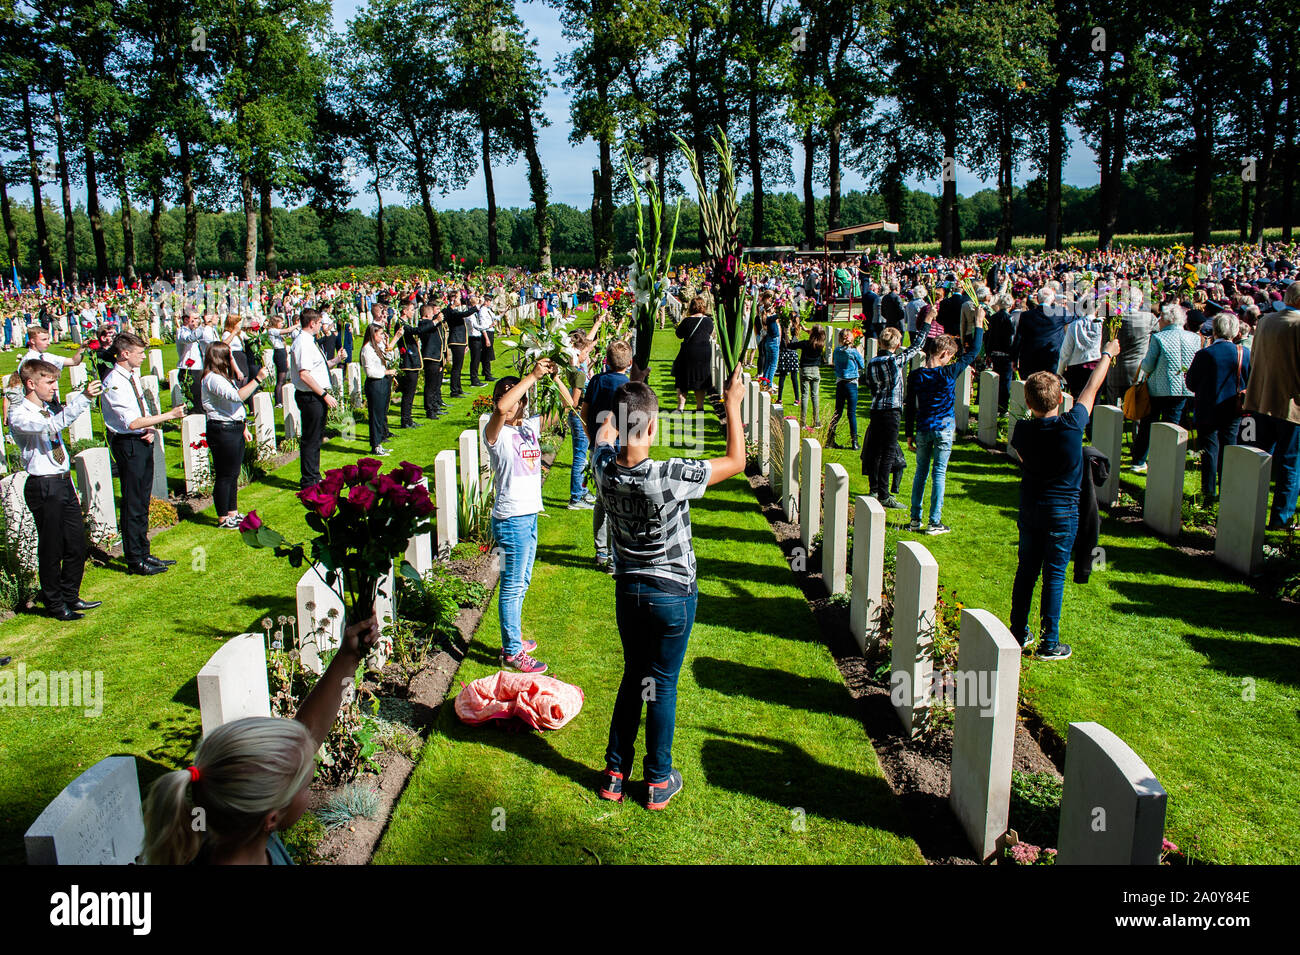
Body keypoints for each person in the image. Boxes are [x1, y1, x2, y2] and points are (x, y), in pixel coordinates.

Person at [594, 370, 746, 811]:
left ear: (619, 425)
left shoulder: (603, 469)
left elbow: (605, 436)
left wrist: (615, 410)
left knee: (632, 678)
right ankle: (658, 780)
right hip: (672, 592)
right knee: (660, 684)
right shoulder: (669, 475)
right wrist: (732, 404)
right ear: (654, 426)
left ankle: (614, 774)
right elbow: (735, 461)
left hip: (629, 591)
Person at [142, 615, 380, 864]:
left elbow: (307, 734)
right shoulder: (242, 840)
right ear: (272, 819)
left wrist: (348, 657)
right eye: (305, 785)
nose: (308, 790)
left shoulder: (230, 833)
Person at [1009, 338, 1120, 661]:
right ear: (1061, 400)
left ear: (1028, 402)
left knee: (1026, 570)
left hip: (1031, 507)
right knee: (1053, 575)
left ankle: (1018, 631)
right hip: (1062, 512)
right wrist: (1107, 354)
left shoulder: (1022, 431)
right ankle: (1049, 641)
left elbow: (1024, 459)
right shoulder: (1071, 426)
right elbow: (1092, 387)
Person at [485, 359, 573, 675]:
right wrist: (530, 377)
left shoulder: (527, 426)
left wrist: (555, 379)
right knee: (511, 586)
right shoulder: (493, 431)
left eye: (516, 397)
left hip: (529, 515)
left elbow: (570, 405)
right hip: (510, 520)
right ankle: (512, 652)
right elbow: (500, 408)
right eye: (503, 394)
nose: (509, 401)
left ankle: (514, 639)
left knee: (521, 582)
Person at [8, 360, 104, 620]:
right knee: (51, 547)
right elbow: (50, 428)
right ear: (31, 384)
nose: (54, 387)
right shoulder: (19, 414)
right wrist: (83, 399)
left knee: (76, 541)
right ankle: (54, 603)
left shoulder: (47, 409)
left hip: (61, 479)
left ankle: (70, 594)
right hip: (43, 484)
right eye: (49, 382)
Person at [101, 332, 187, 574]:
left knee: (142, 499)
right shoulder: (115, 382)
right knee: (133, 501)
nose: (143, 357)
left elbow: (140, 413)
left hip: (140, 439)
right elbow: (130, 423)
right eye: (139, 353)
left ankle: (143, 551)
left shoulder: (131, 376)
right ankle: (134, 558)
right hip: (128, 444)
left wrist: (149, 427)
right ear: (125, 354)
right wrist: (169, 416)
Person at [905, 319, 985, 535]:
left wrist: (909, 434)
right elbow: (975, 350)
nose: (952, 359)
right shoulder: (948, 372)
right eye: (951, 355)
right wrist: (978, 323)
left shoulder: (916, 375)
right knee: (938, 473)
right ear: (944, 354)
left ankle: (915, 519)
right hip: (944, 427)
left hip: (923, 427)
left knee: (921, 472)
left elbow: (910, 406)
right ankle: (934, 522)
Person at [1242, 280, 1300, 528]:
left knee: (1259, 460)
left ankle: (1248, 508)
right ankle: (1281, 518)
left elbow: (1254, 359)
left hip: (1261, 399)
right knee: (1290, 464)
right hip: (1290, 405)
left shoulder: (1265, 321)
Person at [863, 313, 932, 506]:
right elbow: (917, 346)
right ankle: (884, 495)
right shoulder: (894, 361)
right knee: (888, 452)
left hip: (875, 408)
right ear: (895, 344)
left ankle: (874, 489)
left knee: (876, 451)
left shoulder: (871, 362)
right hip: (891, 410)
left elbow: (868, 383)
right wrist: (927, 323)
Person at [202, 341, 270, 528]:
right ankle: (223, 516)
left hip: (233, 427)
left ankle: (232, 512)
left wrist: (243, 427)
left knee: (233, 473)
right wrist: (257, 380)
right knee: (225, 474)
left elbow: (235, 407)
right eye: (228, 356)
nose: (231, 359)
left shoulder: (222, 377)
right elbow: (237, 397)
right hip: (222, 429)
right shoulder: (212, 379)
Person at [1186, 312, 1249, 501]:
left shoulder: (1205, 353)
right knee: (1229, 451)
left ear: (1214, 330)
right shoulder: (1245, 353)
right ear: (1236, 331)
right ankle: (1228, 492)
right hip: (1233, 408)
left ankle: (1209, 493)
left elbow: (1191, 383)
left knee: (1210, 453)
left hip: (1208, 409)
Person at [582, 340, 634, 570]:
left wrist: (592, 437)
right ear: (630, 362)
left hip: (599, 445)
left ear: (606, 360)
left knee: (603, 501)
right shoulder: (631, 386)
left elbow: (584, 412)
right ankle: (615, 555)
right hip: (623, 448)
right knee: (621, 502)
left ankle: (602, 551)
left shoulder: (596, 381)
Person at [1131, 304, 1200, 472]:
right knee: (1172, 425)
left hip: (1158, 388)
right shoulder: (1194, 338)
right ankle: (1167, 460)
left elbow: (1148, 364)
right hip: (1182, 388)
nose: (1159, 321)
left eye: (1161, 318)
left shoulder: (1159, 338)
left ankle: (1139, 461)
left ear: (1168, 320)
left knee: (1148, 424)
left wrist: (1141, 375)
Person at [290, 308, 337, 490]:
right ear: (312, 323)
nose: (321, 326)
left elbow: (317, 367)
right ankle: (309, 479)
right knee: (311, 438)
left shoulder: (309, 341)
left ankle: (314, 475)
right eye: (319, 323)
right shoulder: (303, 342)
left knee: (316, 437)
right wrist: (324, 395)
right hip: (310, 396)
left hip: (315, 394)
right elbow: (304, 374)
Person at [565, 328, 599, 510]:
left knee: (582, 456)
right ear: (578, 352)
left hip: (578, 416)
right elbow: (573, 401)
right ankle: (575, 497)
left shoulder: (574, 368)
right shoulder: (578, 373)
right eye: (586, 353)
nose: (588, 355)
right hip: (579, 416)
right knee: (580, 456)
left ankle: (582, 491)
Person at [1011, 287, 1068, 379]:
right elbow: (1076, 316)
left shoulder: (1026, 315)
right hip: (1050, 357)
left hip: (1029, 359)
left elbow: (1019, 338)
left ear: (1037, 299)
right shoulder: (1060, 313)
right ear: (1053, 299)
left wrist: (1013, 358)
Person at [360, 321, 397, 455]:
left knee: (382, 414)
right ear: (373, 334)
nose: (383, 336)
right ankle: (375, 445)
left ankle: (380, 442)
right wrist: (386, 372)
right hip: (375, 384)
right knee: (376, 416)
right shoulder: (367, 349)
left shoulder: (378, 345)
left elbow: (389, 358)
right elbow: (370, 372)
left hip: (383, 382)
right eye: (380, 334)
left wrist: (388, 346)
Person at [672, 296, 714, 413]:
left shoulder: (687, 321)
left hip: (689, 352)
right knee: (700, 379)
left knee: (683, 379)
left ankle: (681, 407)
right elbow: (710, 332)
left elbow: (679, 334)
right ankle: (700, 407)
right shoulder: (708, 321)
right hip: (704, 353)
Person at [826, 329, 865, 450]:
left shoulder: (837, 351)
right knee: (851, 413)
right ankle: (854, 441)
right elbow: (862, 365)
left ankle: (830, 439)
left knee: (837, 412)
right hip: (852, 384)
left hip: (840, 383)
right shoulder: (853, 352)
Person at [175, 309, 214, 409]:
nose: (198, 321)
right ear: (187, 320)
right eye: (195, 319)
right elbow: (189, 339)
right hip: (188, 369)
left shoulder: (195, 331)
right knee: (195, 398)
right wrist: (203, 325)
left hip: (199, 367)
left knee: (202, 396)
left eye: (198, 318)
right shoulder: (182, 332)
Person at [418, 302, 448, 419]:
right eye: (431, 314)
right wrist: (435, 321)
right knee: (430, 386)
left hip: (437, 357)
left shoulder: (432, 324)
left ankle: (435, 406)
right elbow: (423, 329)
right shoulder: (424, 324)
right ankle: (430, 409)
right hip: (430, 357)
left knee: (435, 384)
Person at [796, 324, 828, 430]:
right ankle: (817, 421)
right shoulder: (821, 344)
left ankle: (803, 422)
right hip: (816, 370)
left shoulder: (805, 344)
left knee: (804, 396)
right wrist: (808, 330)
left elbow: (791, 345)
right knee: (815, 396)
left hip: (805, 370)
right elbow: (816, 334)